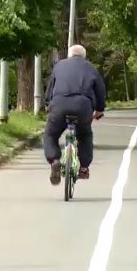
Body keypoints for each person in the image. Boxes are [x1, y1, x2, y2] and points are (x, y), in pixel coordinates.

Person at [43, 44, 105, 185]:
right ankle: (83, 168)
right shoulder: (91, 68)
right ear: (84, 56)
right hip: (83, 106)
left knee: (50, 135)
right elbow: (100, 91)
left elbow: (50, 88)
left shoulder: (59, 66)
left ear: (69, 55)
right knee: (84, 135)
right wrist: (99, 109)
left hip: (59, 104)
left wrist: (48, 104)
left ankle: (54, 160)